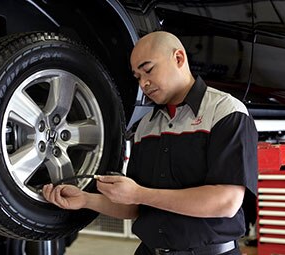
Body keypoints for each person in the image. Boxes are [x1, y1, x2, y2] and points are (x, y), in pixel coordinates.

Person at [42, 31, 258, 255]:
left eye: (148, 69)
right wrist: (85, 200)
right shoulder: (146, 126)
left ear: (179, 58)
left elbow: (226, 202)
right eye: (137, 77)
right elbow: (135, 206)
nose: (143, 83)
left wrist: (139, 193)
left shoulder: (224, 112)